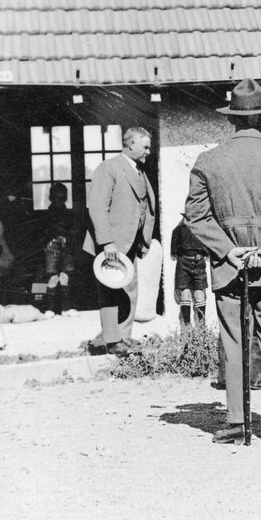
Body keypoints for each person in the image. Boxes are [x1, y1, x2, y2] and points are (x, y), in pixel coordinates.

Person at [185, 78, 261, 445]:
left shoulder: (208, 161)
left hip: (229, 266)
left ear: (231, 120)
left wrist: (227, 250)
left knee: (234, 340)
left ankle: (238, 423)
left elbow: (196, 216)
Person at [83, 126, 156, 356]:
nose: (148, 152)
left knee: (129, 288)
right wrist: (106, 243)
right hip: (112, 243)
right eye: (145, 147)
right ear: (130, 144)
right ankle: (112, 339)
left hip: (131, 241)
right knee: (110, 288)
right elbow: (97, 207)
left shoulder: (138, 170)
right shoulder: (109, 167)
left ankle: (124, 336)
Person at [42, 183, 75, 315]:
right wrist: (55, 236)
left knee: (65, 276)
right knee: (53, 277)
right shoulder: (47, 214)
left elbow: (72, 229)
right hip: (52, 247)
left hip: (66, 248)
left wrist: (67, 237)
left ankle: (65, 309)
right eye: (56, 198)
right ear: (50, 198)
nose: (59, 201)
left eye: (62, 198)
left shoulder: (68, 213)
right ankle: (50, 309)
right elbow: (43, 231)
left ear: (66, 198)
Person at [170, 213, 209, 325]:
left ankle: (201, 327)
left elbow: (207, 251)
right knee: (185, 293)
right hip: (183, 263)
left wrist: (201, 255)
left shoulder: (203, 229)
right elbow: (174, 254)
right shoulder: (178, 230)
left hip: (199, 263)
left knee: (199, 293)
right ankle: (186, 327)